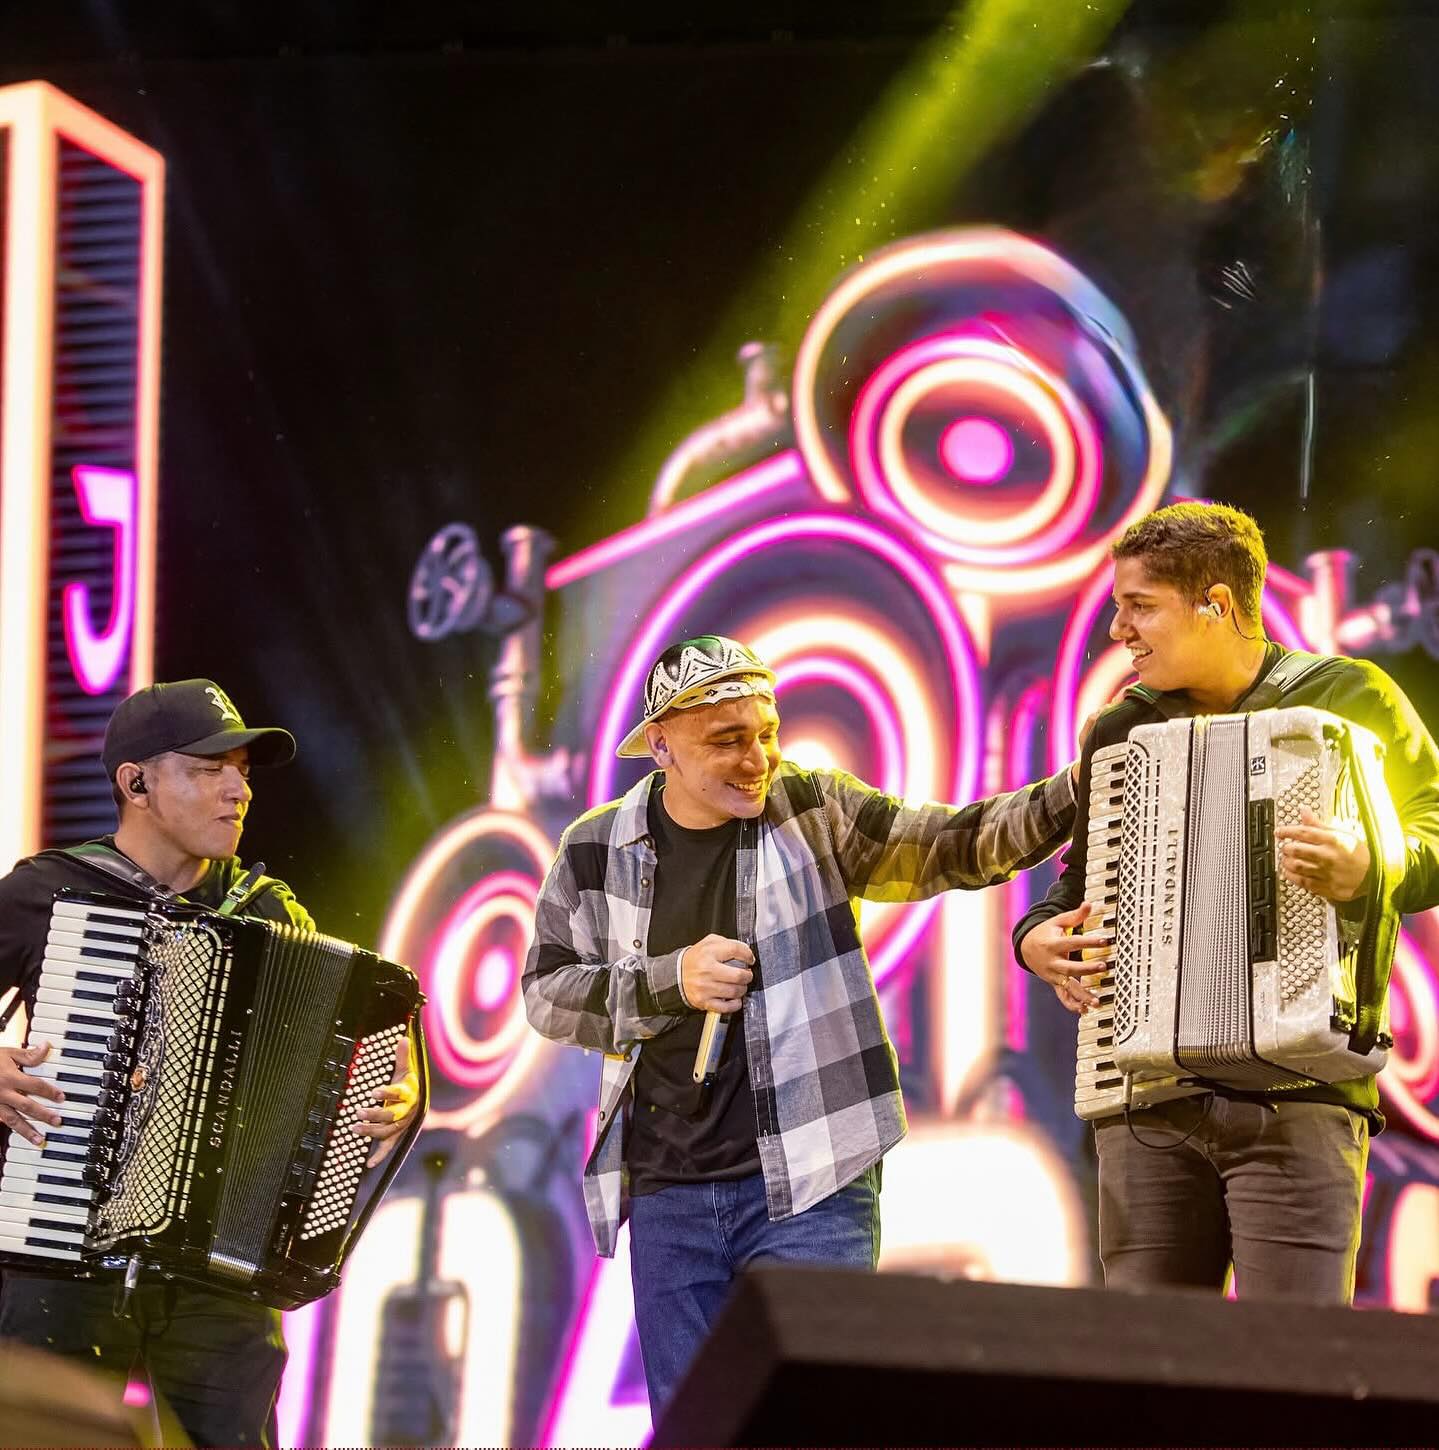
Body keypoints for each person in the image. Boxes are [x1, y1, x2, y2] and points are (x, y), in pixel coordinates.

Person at [523, 634, 1080, 1414]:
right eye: (727, 741)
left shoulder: (812, 808)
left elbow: (954, 844)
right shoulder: (593, 846)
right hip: (667, 1193)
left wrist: (1079, 789)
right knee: (695, 1425)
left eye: (766, 732)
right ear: (661, 748)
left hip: (814, 1175)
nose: (757, 759)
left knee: (811, 1415)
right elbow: (546, 995)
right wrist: (667, 981)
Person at [1014, 501, 1439, 1305]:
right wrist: (1037, 939)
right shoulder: (1121, 729)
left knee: (1296, 1375)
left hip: (1299, 1095)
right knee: (1151, 1380)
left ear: (1216, 603)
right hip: (1147, 1106)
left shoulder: (1350, 696)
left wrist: (1370, 865)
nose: (1118, 631)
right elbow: (1074, 887)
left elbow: (1433, 834)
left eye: (1139, 606)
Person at [0, 678, 421, 1446]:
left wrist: (383, 1103)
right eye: (207, 769)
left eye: (243, 772)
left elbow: (331, 1070)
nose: (237, 791)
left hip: (217, 1274)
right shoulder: (47, 892)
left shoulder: (269, 911)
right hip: (60, 1255)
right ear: (136, 784)